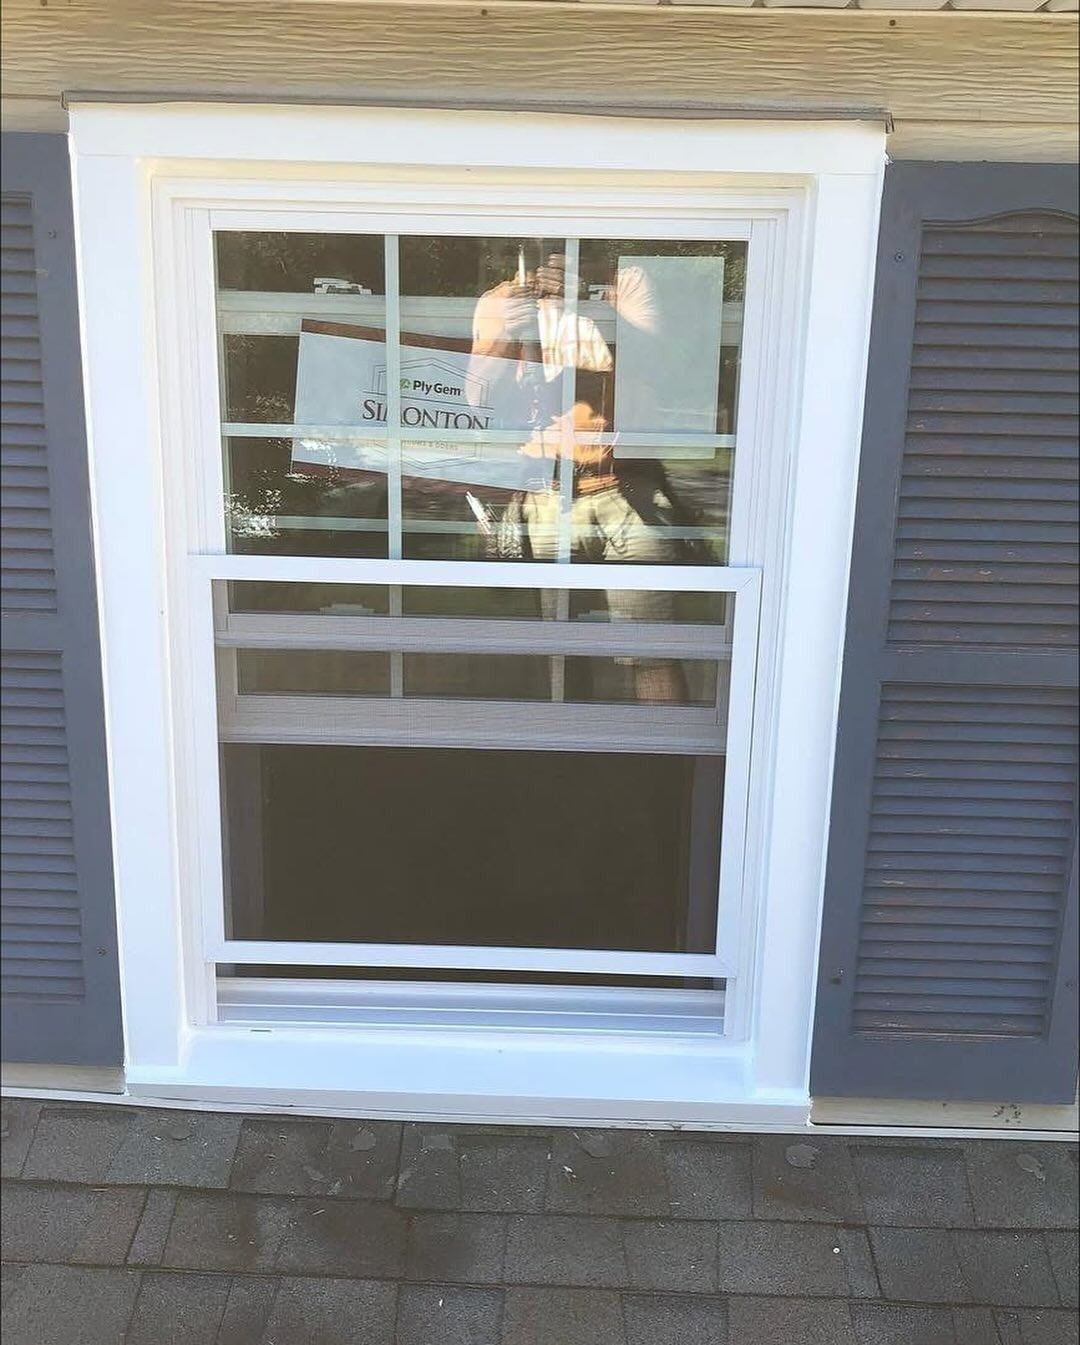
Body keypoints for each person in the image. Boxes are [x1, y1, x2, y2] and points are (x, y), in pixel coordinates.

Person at [468, 247, 691, 702]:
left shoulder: (625, 284)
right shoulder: (503, 300)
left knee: (653, 650)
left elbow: (666, 371)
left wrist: (588, 304)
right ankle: (569, 767)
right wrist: (508, 337)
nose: (553, 249)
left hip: (629, 490)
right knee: (561, 654)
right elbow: (478, 400)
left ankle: (666, 767)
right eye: (540, 241)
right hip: (546, 493)